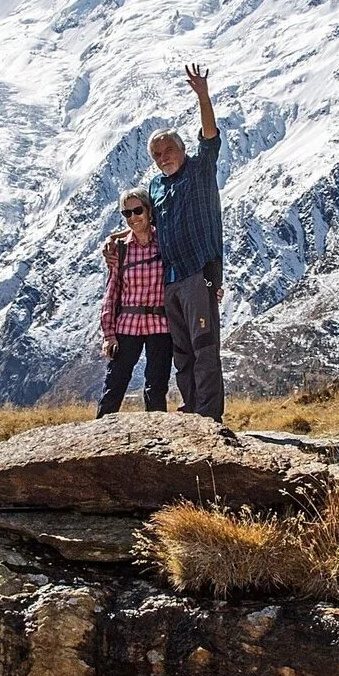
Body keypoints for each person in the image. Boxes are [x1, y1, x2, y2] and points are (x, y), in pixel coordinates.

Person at [146, 63, 224, 421]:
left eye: (168, 150)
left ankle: (210, 418)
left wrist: (203, 95)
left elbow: (209, 136)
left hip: (199, 272)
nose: (164, 158)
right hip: (171, 280)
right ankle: (191, 411)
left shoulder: (200, 168)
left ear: (181, 148)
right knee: (182, 351)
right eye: (157, 155)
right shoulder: (156, 187)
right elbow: (148, 225)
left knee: (204, 347)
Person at [95, 187, 173, 417]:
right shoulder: (119, 250)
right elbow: (112, 292)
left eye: (137, 210)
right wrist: (108, 334)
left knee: (156, 386)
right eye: (126, 213)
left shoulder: (165, 242)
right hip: (127, 324)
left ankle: (157, 439)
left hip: (160, 324)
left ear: (149, 211)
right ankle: (100, 437)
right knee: (115, 382)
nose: (133, 217)